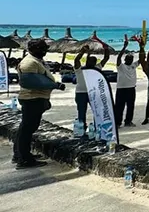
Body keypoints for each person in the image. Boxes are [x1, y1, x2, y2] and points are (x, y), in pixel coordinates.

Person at [14, 38, 66, 168]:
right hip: (32, 99)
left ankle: (20, 154)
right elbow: (29, 82)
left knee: (27, 128)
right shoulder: (29, 63)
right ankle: (24, 159)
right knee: (27, 129)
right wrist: (54, 85)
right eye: (42, 49)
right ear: (35, 49)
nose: (45, 51)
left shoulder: (36, 61)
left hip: (36, 98)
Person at [74, 43, 110, 132]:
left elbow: (106, 58)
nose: (90, 63)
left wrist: (106, 48)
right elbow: (77, 60)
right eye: (89, 61)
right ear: (86, 61)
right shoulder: (80, 69)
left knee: (96, 112)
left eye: (93, 62)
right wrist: (82, 51)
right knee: (81, 112)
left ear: (94, 63)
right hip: (81, 93)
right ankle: (82, 129)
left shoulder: (97, 68)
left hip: (93, 93)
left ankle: (96, 128)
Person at [114, 35, 138, 128]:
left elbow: (142, 59)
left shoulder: (133, 65)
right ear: (125, 59)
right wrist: (124, 47)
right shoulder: (121, 66)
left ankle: (128, 121)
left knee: (130, 106)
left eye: (131, 59)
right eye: (128, 59)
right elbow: (118, 58)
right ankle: (117, 123)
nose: (130, 60)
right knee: (119, 106)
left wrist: (141, 47)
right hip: (121, 89)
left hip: (131, 88)